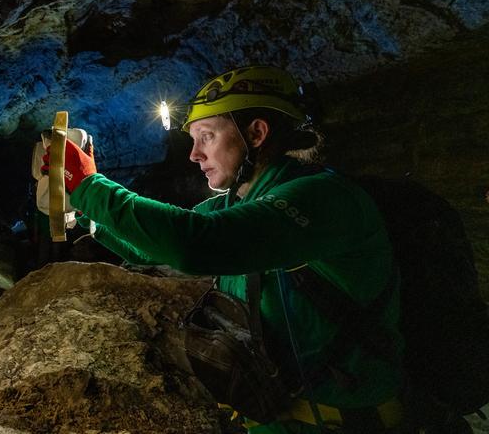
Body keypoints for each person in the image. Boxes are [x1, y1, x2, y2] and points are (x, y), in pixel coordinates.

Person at [47, 65, 404, 433]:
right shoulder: (241, 201)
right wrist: (86, 210)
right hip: (273, 418)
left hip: (345, 424)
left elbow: (196, 243)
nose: (194, 155)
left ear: (256, 133)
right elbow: (155, 247)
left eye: (207, 136)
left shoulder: (322, 198)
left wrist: (91, 186)